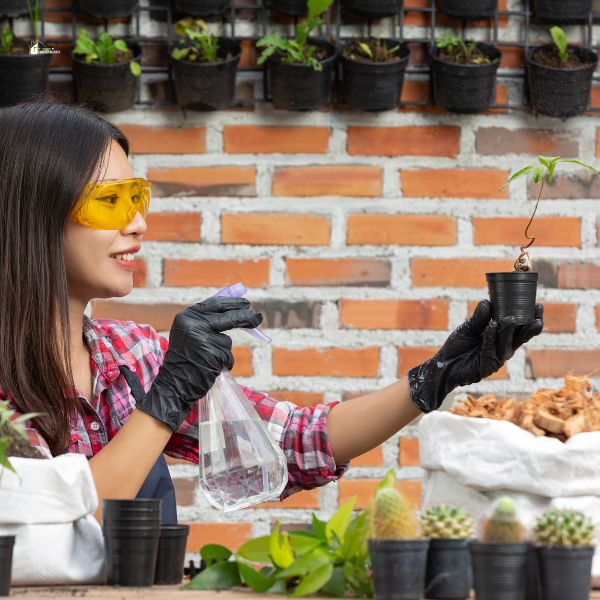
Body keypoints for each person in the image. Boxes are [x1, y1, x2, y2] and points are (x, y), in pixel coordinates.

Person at [0, 100, 544, 523]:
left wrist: (433, 380)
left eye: (137, 196)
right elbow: (55, 521)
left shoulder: (131, 356)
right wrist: (166, 399)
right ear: (34, 214)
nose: (139, 222)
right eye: (110, 201)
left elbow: (294, 440)